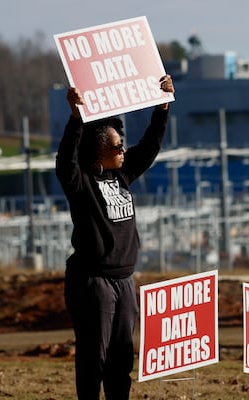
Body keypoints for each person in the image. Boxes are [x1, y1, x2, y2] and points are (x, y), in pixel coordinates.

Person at [55, 75, 175, 400]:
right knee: (94, 358)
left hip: (124, 280)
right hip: (93, 282)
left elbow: (149, 148)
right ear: (99, 151)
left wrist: (162, 107)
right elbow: (65, 161)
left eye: (122, 145)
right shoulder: (81, 183)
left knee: (122, 359)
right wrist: (76, 118)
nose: (123, 150)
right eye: (116, 146)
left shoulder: (121, 172)